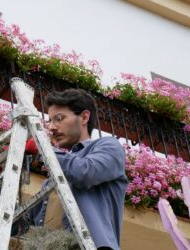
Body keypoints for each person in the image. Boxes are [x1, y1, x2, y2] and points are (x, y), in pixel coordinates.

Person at [30, 88, 127, 250]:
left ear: (84, 117)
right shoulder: (49, 183)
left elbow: (85, 172)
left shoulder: (109, 146)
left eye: (59, 119)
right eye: (50, 121)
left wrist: (42, 148)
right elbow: (20, 225)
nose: (52, 128)